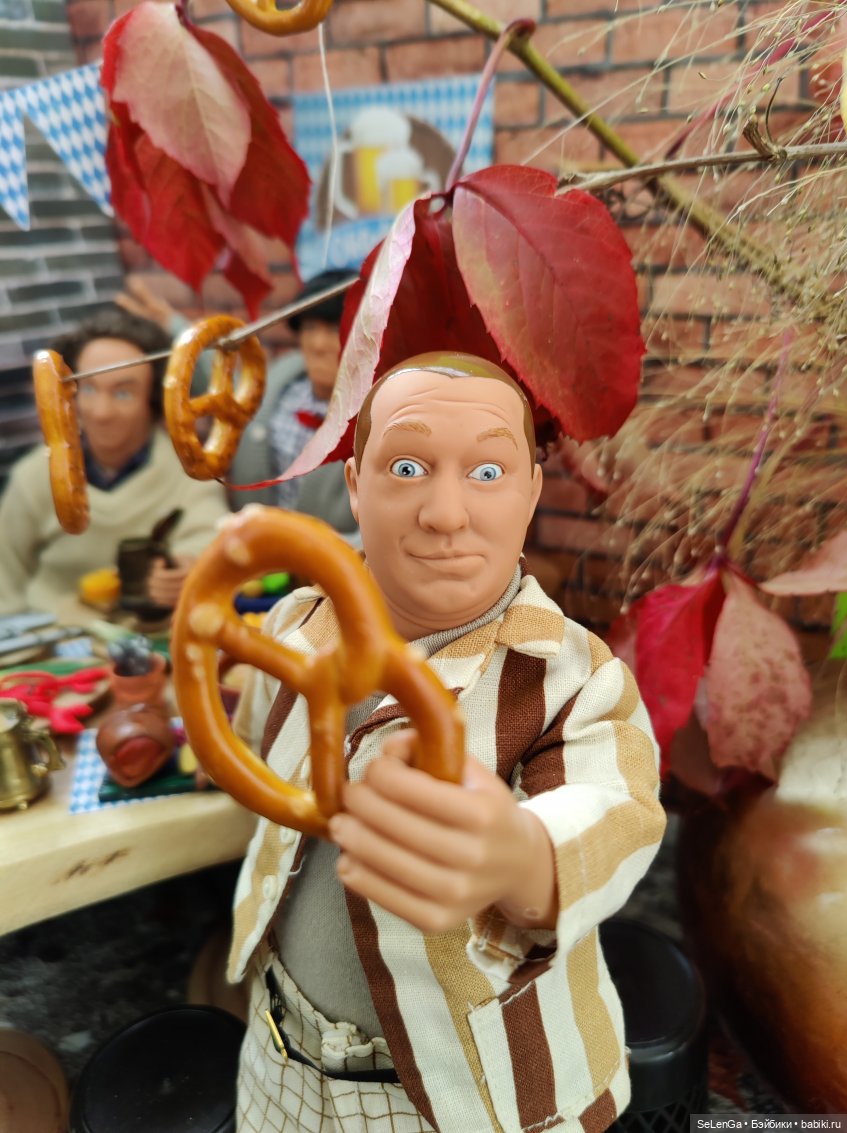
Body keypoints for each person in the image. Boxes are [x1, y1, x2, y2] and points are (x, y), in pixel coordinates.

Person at [226, 352, 666, 1132]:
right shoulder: (293, 628)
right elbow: (251, 745)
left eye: (488, 473)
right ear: (355, 484)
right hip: (282, 1056)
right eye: (407, 467)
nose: (446, 514)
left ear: (532, 492)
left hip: (480, 1099)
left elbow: (613, 816)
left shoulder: (571, 679)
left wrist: (520, 854)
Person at [0, 306, 230, 621]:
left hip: (150, 630)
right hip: (51, 631)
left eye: (123, 394)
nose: (101, 412)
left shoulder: (187, 471)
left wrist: (187, 568)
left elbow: (211, 535)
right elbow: (5, 581)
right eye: (88, 389)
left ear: (155, 400)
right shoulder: (35, 477)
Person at [118, 271, 360, 543]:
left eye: (334, 330)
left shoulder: (378, 411)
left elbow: (385, 525)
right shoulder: (283, 380)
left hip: (333, 565)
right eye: (310, 328)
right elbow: (230, 388)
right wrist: (172, 326)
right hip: (251, 554)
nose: (317, 344)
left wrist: (329, 552)